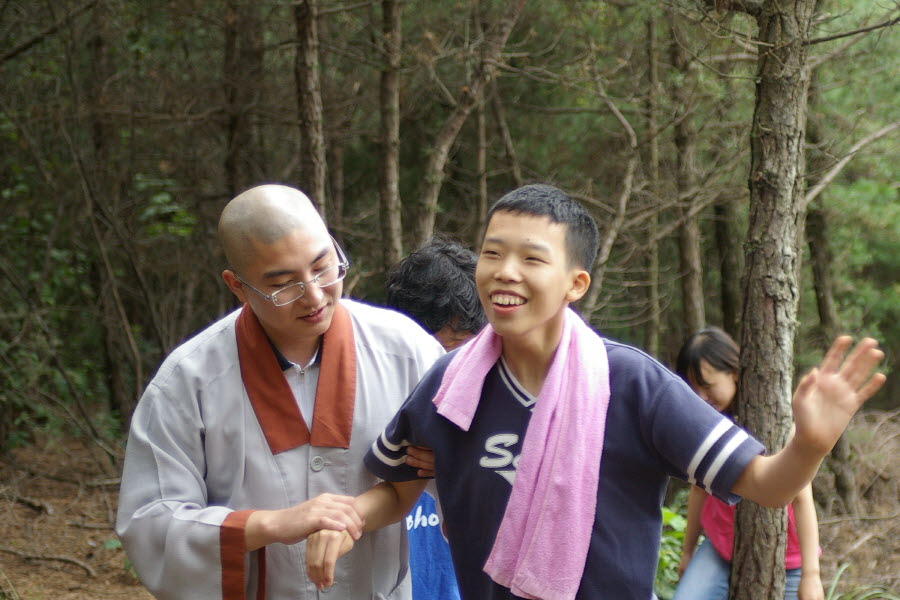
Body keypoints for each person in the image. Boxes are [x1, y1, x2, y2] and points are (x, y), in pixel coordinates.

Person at [304, 184, 885, 600]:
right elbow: (398, 491)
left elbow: (768, 485)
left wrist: (810, 444)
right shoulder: (450, 383)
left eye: (532, 258)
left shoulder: (631, 384)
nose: (505, 271)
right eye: (492, 253)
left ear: (575, 283)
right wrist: (349, 517)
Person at [115, 184, 445, 600]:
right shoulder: (188, 381)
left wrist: (447, 459)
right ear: (237, 285)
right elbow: (150, 521)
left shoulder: (406, 351)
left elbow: (473, 473)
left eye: (323, 267)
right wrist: (270, 525)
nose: (314, 295)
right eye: (284, 284)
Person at [673, 327, 824, 600]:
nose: (701, 397)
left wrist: (811, 575)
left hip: (787, 558)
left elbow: (802, 499)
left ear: (734, 372)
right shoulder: (707, 424)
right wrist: (687, 552)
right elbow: (698, 490)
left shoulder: (777, 423)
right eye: (693, 388)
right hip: (719, 548)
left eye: (707, 385)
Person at [386, 236, 487, 600]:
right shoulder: (374, 415)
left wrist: (465, 461)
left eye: (467, 353)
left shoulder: (505, 421)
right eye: (439, 354)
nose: (449, 375)